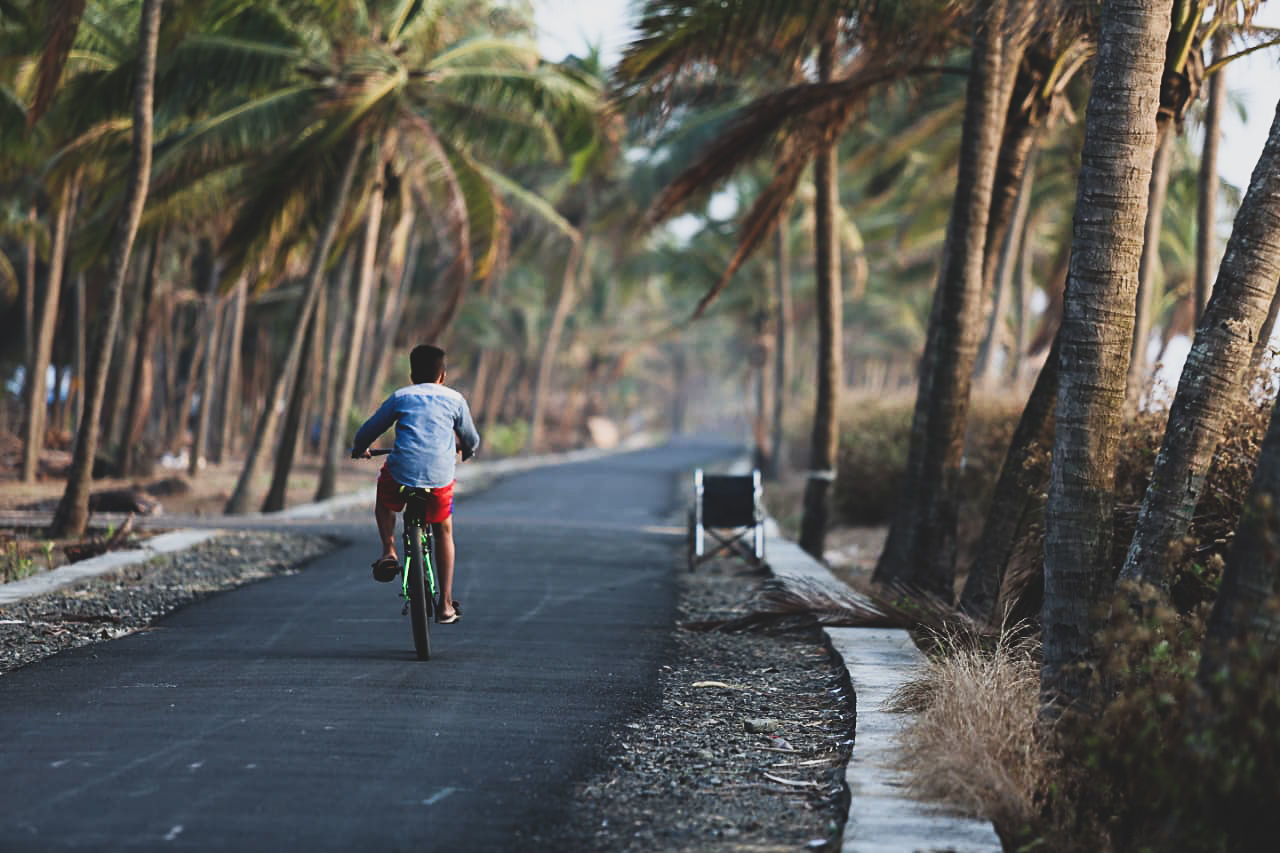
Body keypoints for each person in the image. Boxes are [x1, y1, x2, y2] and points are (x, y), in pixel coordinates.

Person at [350, 344, 479, 624]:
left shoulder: (401, 397)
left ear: (412, 375)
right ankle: (445, 605)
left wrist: (360, 447)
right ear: (442, 375)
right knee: (443, 530)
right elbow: (470, 438)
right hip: (440, 477)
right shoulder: (455, 399)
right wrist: (466, 451)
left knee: (385, 498)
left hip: (401, 472)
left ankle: (388, 550)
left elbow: (369, 430)